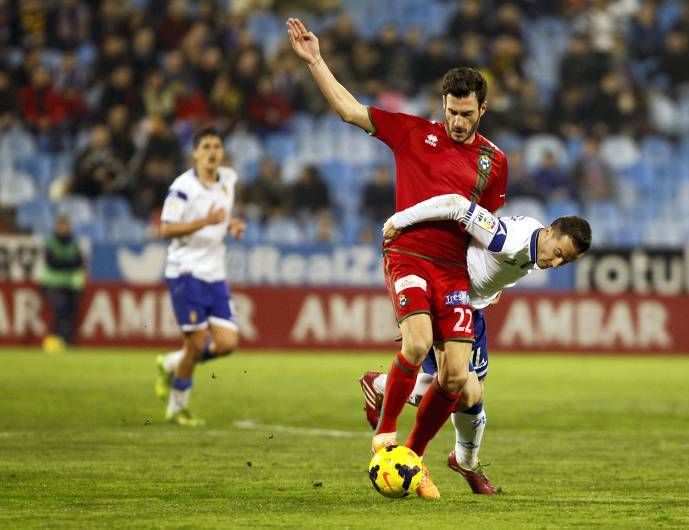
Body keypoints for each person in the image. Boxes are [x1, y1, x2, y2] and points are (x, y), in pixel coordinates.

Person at [288, 18, 508, 499]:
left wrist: (484, 286)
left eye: (466, 113)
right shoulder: (413, 133)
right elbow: (349, 111)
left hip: (453, 270)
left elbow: (486, 229)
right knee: (417, 342)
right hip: (407, 252)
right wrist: (316, 62)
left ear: (483, 110)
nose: (457, 121)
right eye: (451, 111)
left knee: (455, 377)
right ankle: (384, 436)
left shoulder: (494, 163)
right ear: (443, 106)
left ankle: (411, 456)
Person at [360, 193, 591, 494]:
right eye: (558, 252)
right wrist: (399, 220)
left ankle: (382, 388)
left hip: (472, 307)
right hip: (448, 298)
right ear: (548, 231)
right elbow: (457, 205)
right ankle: (434, 458)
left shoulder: (537, 247)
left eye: (566, 260)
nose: (556, 262)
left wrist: (495, 289)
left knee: (469, 395)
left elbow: (498, 265)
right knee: (461, 386)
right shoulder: (506, 238)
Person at [153, 126, 246, 427]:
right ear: (195, 153)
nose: (212, 151)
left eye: (216, 146)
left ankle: (170, 363)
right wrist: (205, 221)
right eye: (205, 146)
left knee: (227, 343)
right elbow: (166, 228)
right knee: (195, 346)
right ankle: (177, 407)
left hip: (215, 274)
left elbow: (221, 215)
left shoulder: (228, 180)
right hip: (186, 271)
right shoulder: (182, 188)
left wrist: (230, 225)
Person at [40, 215, 86, 353]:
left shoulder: (74, 242)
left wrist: (63, 262)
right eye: (61, 226)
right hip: (54, 283)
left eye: (66, 226)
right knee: (59, 311)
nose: (64, 228)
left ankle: (68, 342)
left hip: (72, 284)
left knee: (70, 315)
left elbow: (79, 262)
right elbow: (51, 263)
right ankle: (55, 340)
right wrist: (68, 262)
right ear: (57, 227)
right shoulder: (51, 242)